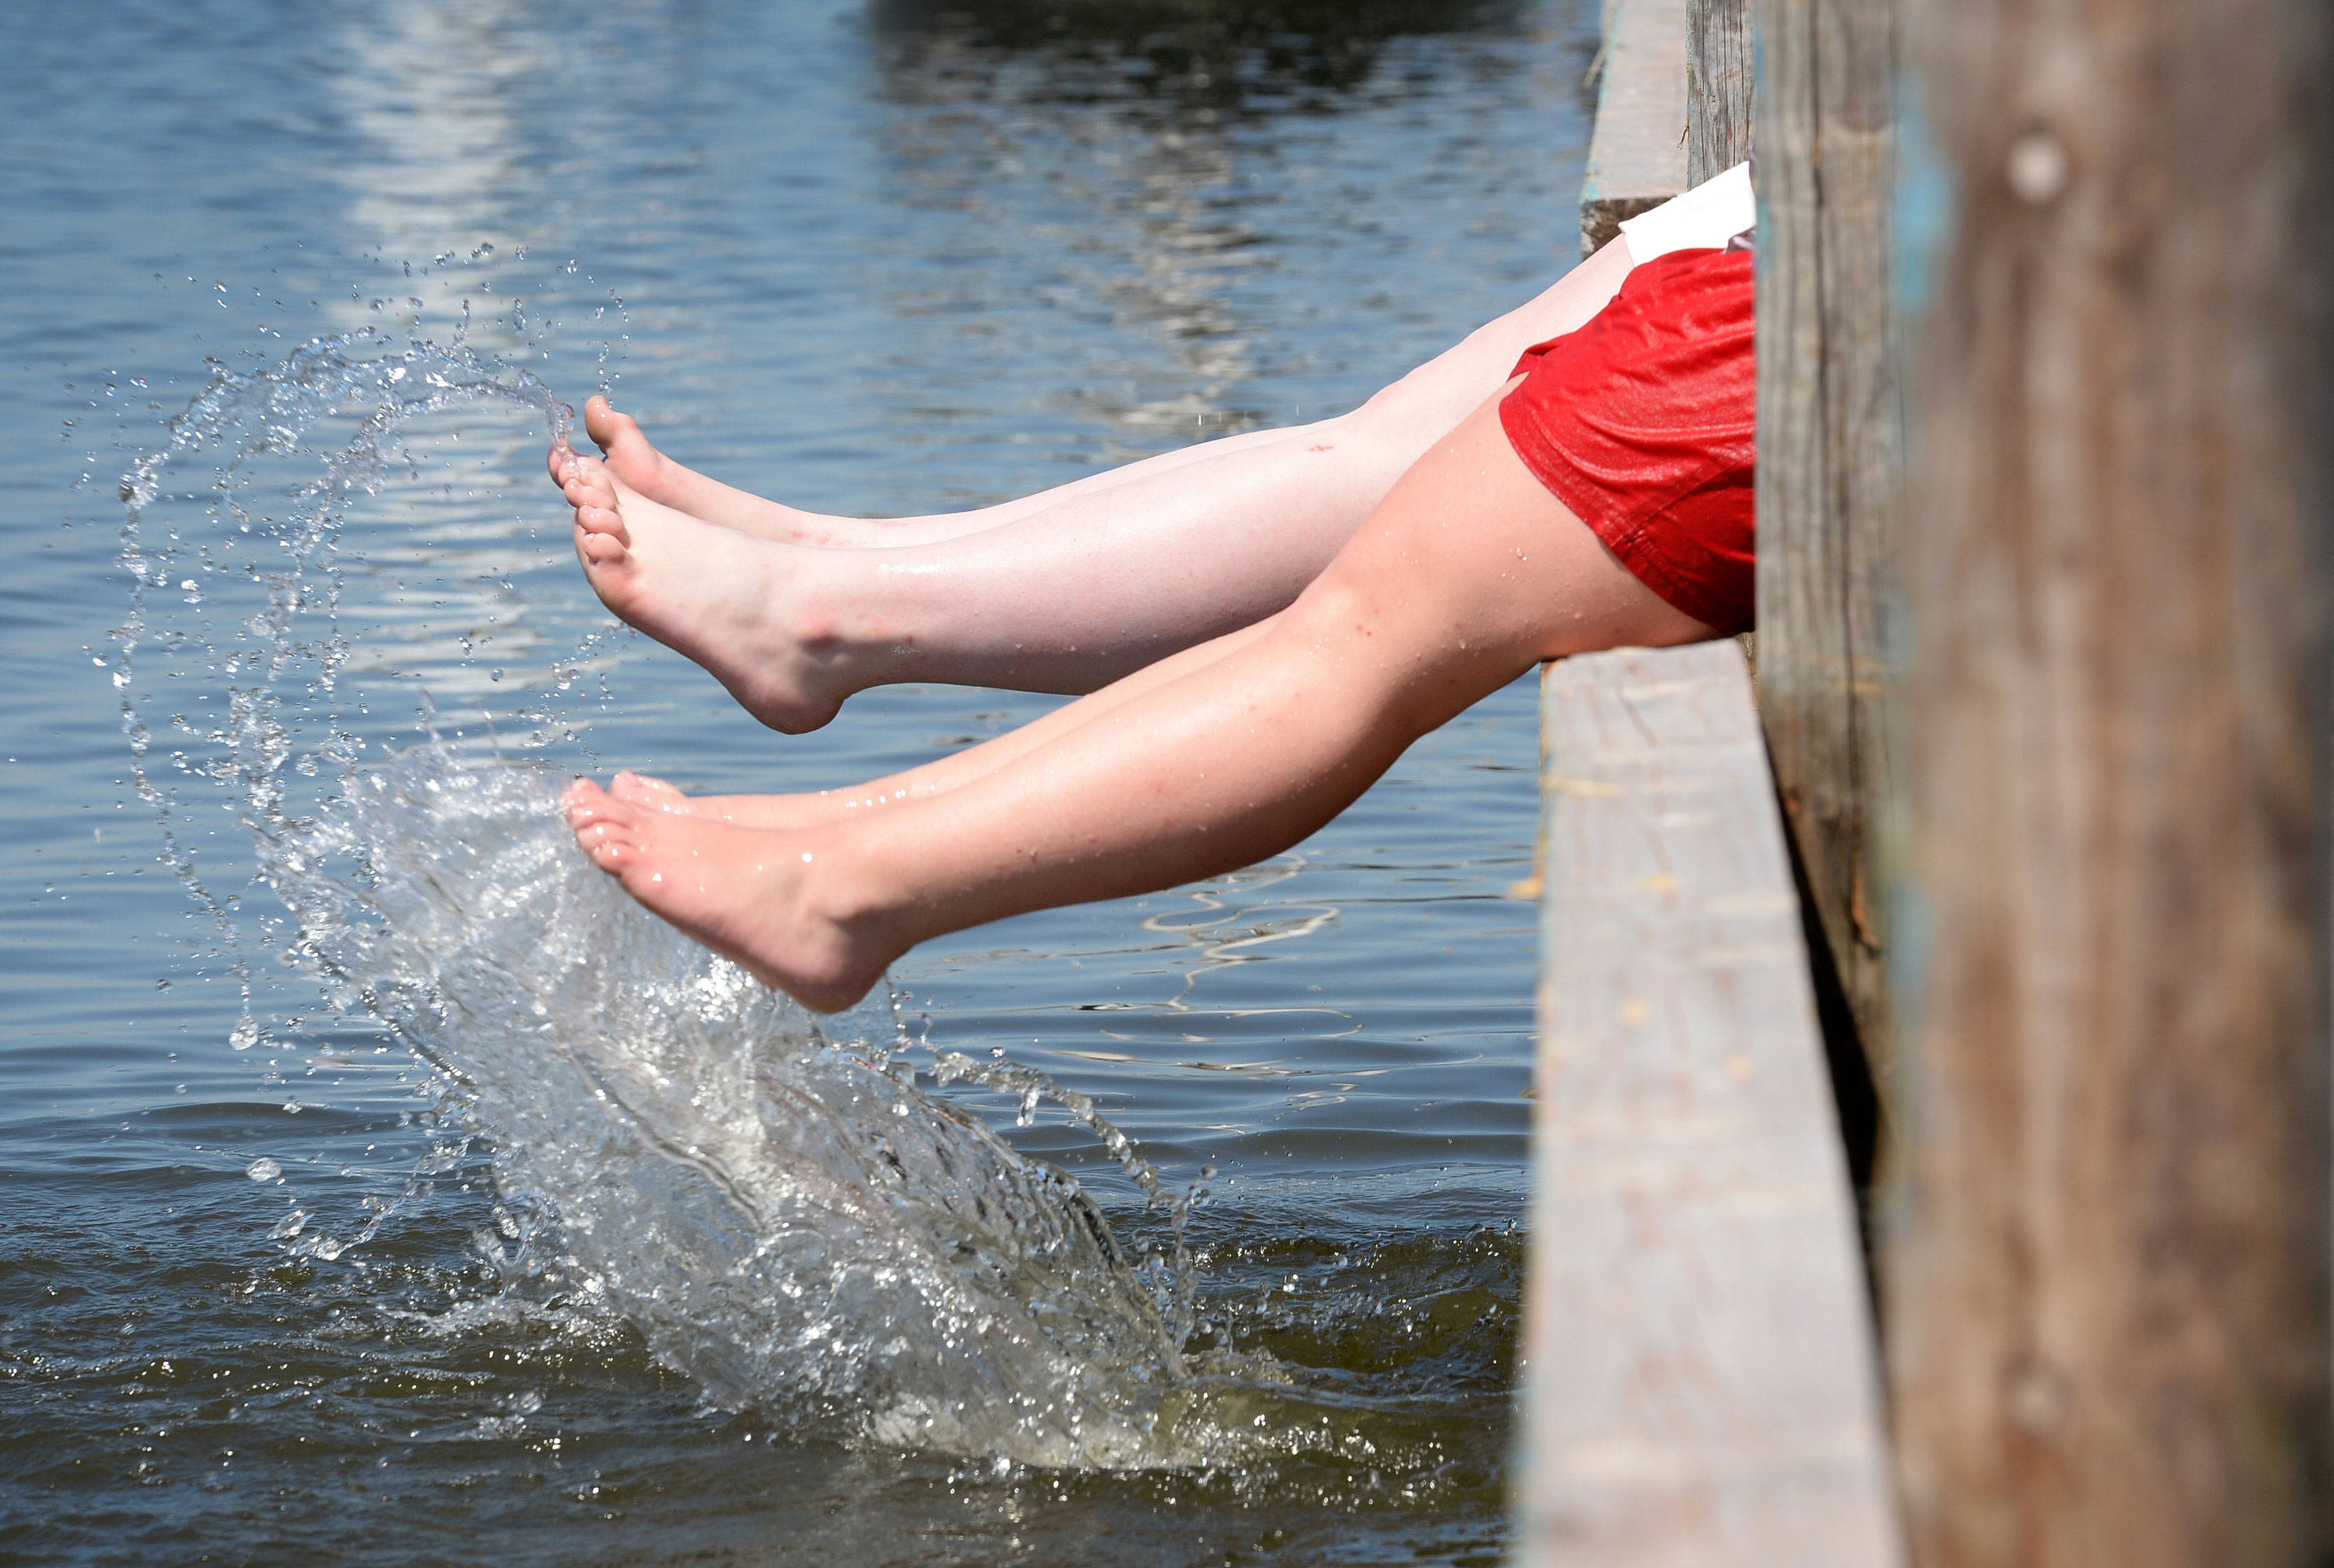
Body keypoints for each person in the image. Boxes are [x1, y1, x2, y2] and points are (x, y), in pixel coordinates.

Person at [553, 166, 1758, 1013]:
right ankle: (823, 619)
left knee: (1365, 632)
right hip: (1834, 198)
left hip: (1861, 276)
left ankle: (848, 888)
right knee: (1382, 455)